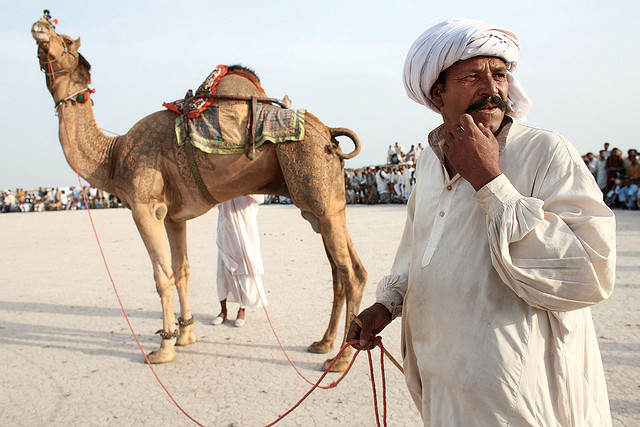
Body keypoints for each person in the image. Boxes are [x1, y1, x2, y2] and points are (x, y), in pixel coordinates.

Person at [348, 18, 615, 426]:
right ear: (437, 93)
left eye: (500, 75)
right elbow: (415, 251)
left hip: (519, 394)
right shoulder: (430, 160)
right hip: (444, 386)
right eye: (473, 76)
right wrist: (387, 304)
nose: (492, 89)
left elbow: (590, 275)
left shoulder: (546, 152)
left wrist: (490, 181)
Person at [212, 195, 267, 328]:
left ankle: (242, 311)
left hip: (245, 236)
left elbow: (261, 198)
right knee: (222, 274)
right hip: (225, 232)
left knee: (244, 274)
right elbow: (213, 202)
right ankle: (223, 311)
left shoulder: (249, 183)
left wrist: (242, 186)